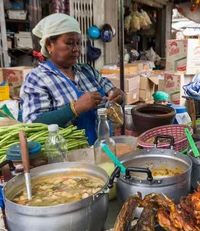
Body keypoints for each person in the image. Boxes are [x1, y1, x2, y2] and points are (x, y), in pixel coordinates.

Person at [20, 14, 124, 145]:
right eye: (69, 43)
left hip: (103, 150)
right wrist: (74, 108)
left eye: (79, 43)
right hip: (68, 158)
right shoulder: (37, 79)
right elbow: (33, 124)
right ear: (49, 45)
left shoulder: (87, 71)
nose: (76, 49)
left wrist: (119, 97)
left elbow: (113, 94)